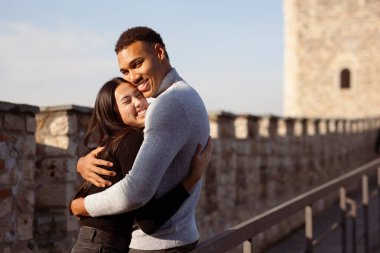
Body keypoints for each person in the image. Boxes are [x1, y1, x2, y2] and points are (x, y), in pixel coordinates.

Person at [72, 26, 210, 252]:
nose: (133, 77)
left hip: (158, 244)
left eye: (137, 64)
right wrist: (81, 163)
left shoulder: (170, 102)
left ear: (159, 52)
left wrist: (80, 206)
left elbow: (135, 192)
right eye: (125, 71)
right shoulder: (178, 96)